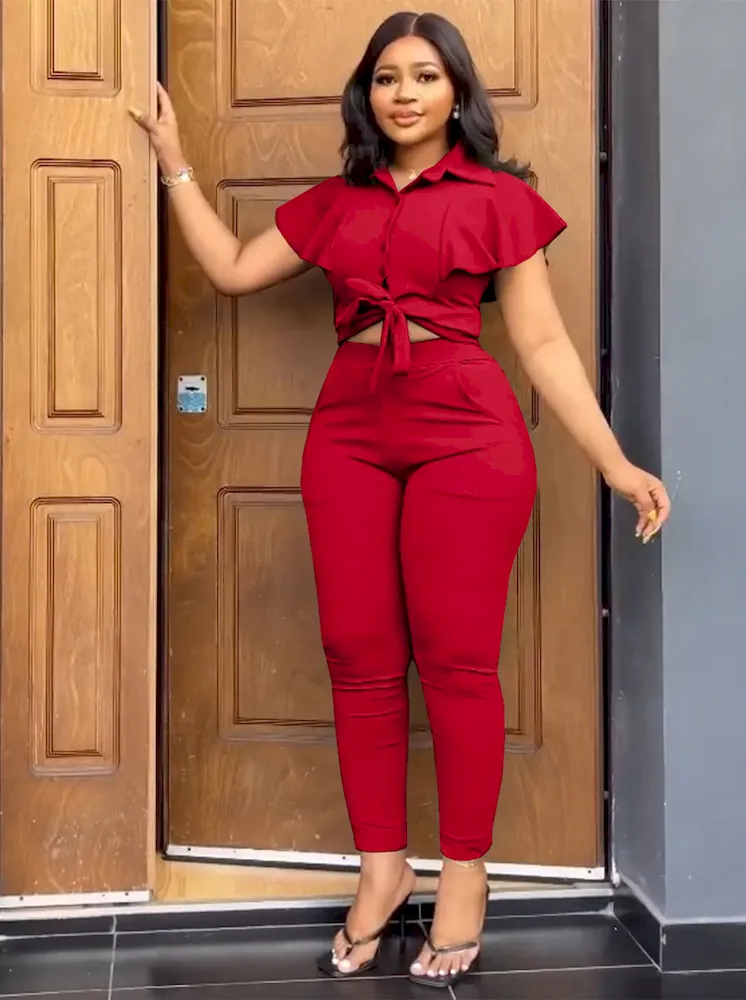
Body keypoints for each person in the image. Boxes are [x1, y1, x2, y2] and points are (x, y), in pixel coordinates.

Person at [131, 9, 671, 989]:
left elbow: (543, 343)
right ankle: (383, 868)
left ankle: (466, 873)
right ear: (367, 95)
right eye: (387, 78)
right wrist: (174, 162)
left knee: (457, 661)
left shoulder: (500, 199)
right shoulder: (337, 202)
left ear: (456, 93)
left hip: (468, 428)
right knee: (358, 655)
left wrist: (613, 462)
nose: (405, 93)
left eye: (425, 75)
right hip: (349, 428)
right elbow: (233, 270)